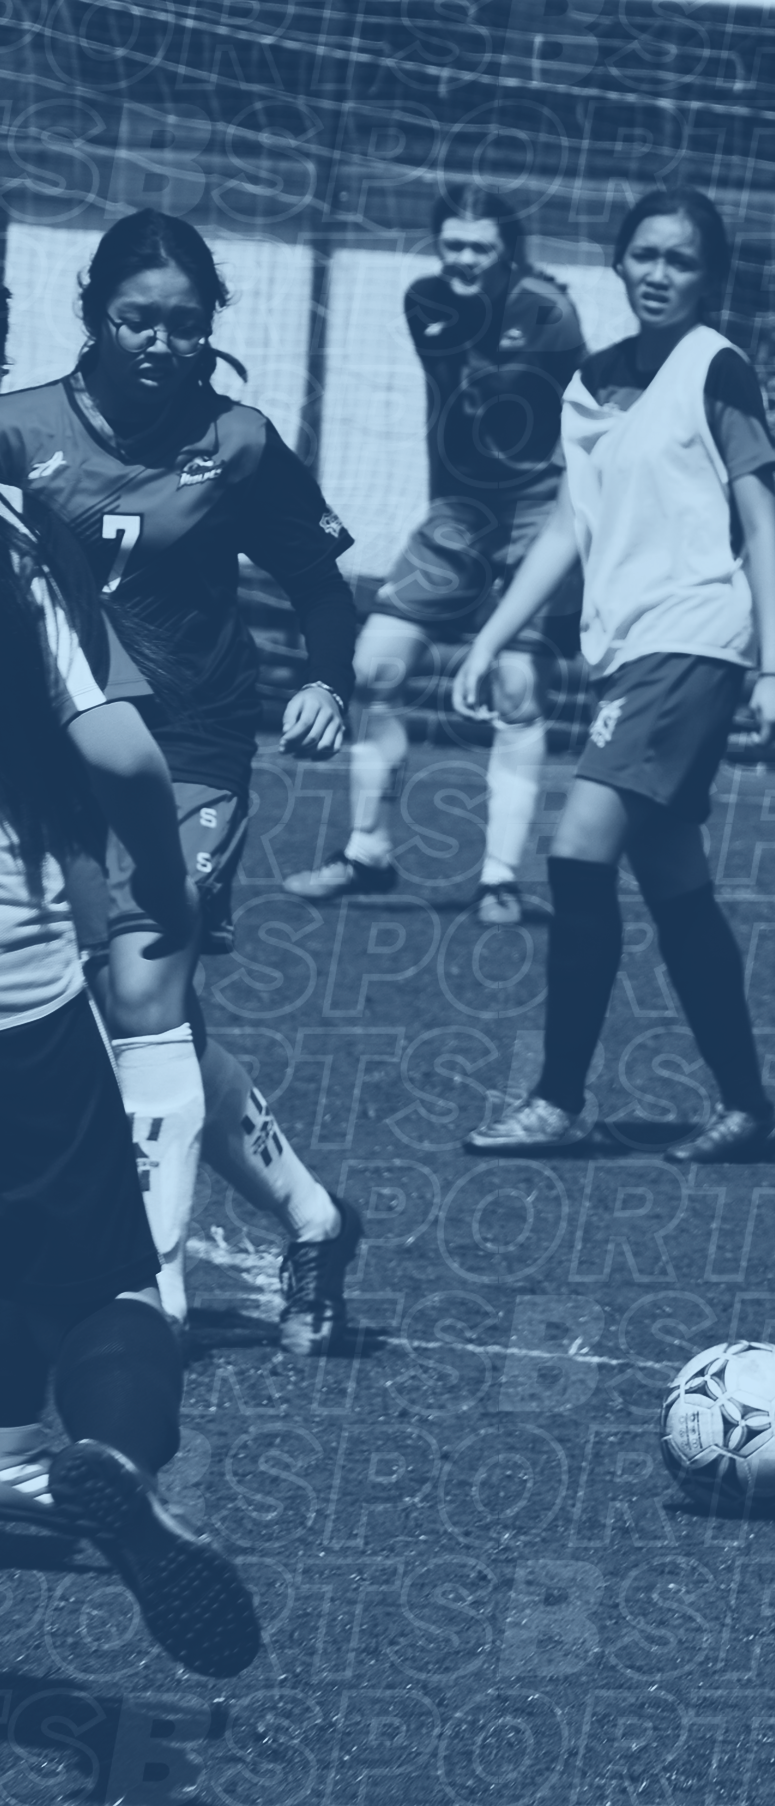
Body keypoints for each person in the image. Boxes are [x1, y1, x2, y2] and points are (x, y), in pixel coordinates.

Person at [0, 209, 364, 1355]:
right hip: (56, 752)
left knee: (144, 996)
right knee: (113, 1007)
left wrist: (332, 682)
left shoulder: (239, 441)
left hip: (195, 747)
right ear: (93, 316)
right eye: (137, 321)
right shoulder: (18, 433)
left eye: (186, 325)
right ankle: (312, 1212)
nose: (162, 344)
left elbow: (318, 582)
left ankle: (140, 1301)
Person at [452, 188, 775, 1163]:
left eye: (680, 260)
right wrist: (489, 636)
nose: (658, 273)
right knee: (673, 878)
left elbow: (762, 520)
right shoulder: (592, 378)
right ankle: (745, 1106)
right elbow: (570, 522)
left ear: (710, 275)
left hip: (693, 640)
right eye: (643, 254)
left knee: (576, 849)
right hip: (629, 651)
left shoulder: (712, 366)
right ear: (617, 260)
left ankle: (555, 1101)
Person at [0, 458, 260, 1678]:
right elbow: (122, 751)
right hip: (16, 988)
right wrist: (162, 880)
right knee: (105, 1284)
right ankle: (108, 1450)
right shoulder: (10, 533)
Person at [285, 186, 587, 926]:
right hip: (457, 518)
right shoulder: (428, 299)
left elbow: (571, 398)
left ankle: (499, 880)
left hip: (537, 515)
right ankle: (366, 853)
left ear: (507, 250)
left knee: (517, 689)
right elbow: (476, 357)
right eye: (452, 244)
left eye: (480, 248)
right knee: (374, 668)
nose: (463, 260)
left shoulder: (551, 312)